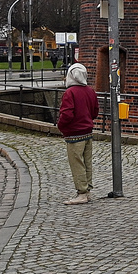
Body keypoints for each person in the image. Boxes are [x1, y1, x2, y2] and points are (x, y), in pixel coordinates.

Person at [56, 62, 99, 205]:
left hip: (74, 133)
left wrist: (61, 126)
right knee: (87, 162)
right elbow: (95, 112)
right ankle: (87, 190)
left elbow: (67, 114)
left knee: (77, 163)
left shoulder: (70, 93)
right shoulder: (90, 91)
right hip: (88, 131)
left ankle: (82, 192)